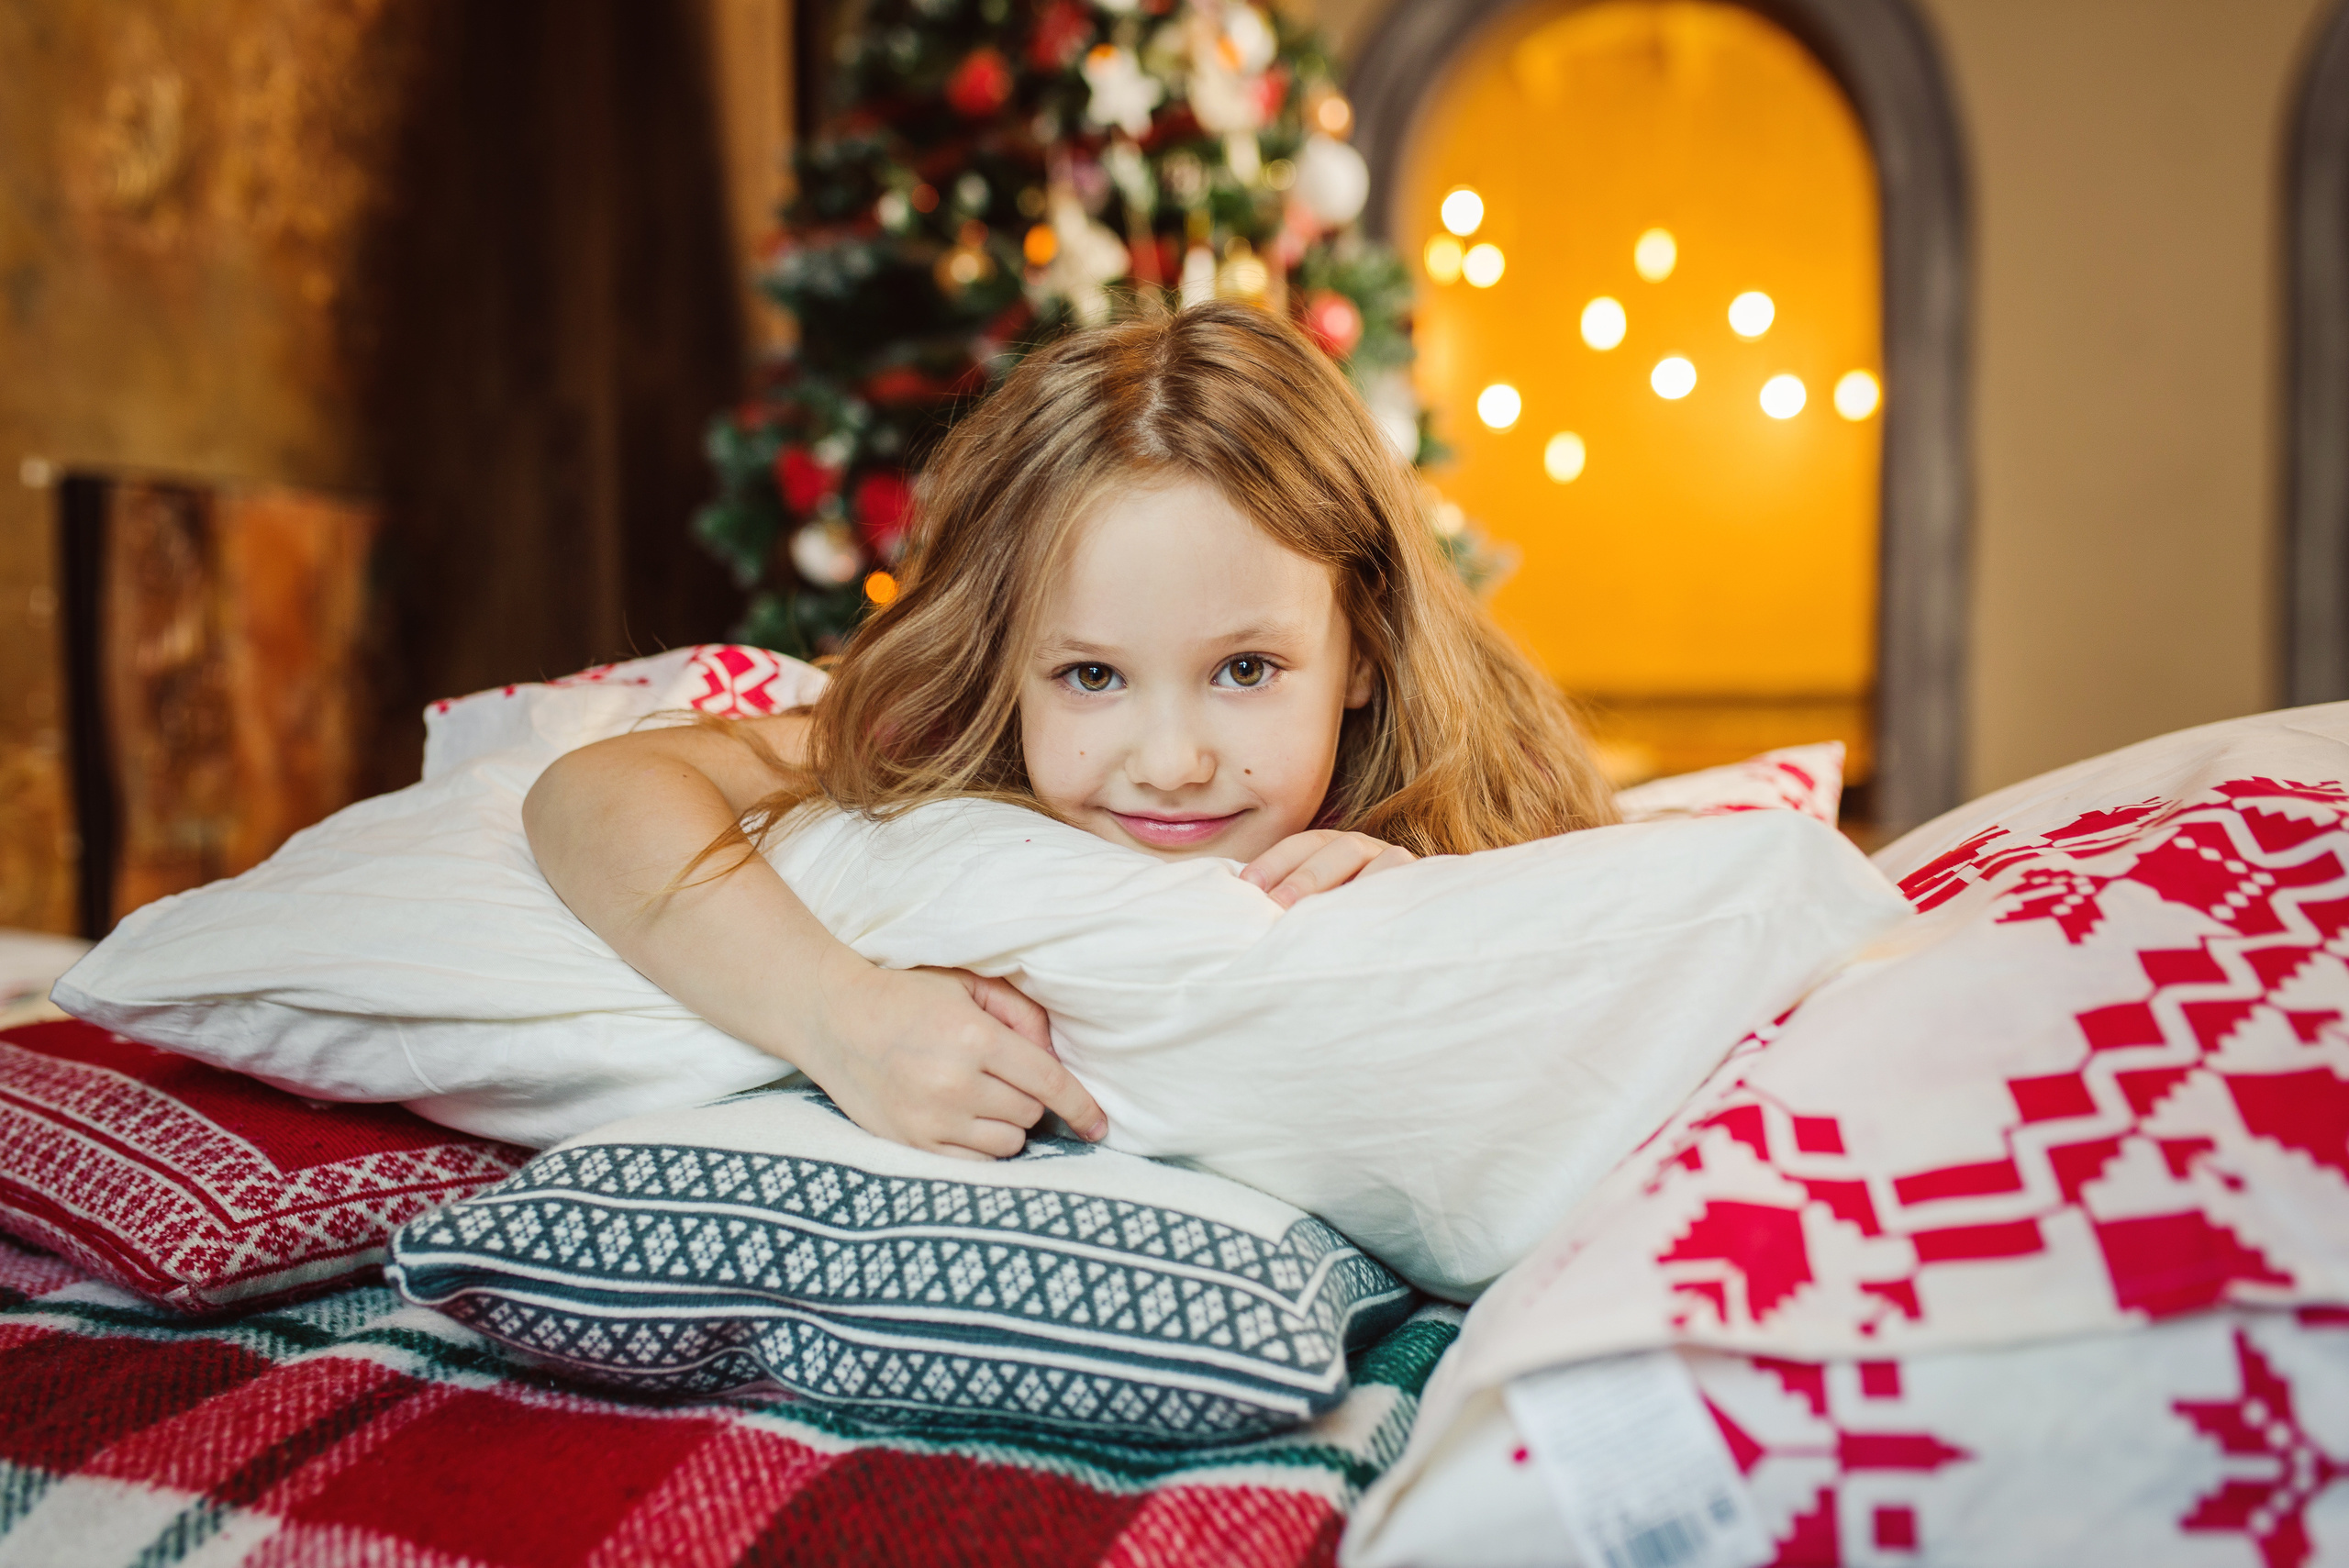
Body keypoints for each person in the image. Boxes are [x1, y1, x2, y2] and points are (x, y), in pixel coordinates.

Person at [526, 300, 1616, 1163]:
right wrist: (837, 1013)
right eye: (1091, 675)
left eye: (1245, 669)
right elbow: (590, 793)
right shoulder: (953, 727)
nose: (1172, 765)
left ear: (1365, 646)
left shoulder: (1478, 781)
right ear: (1007, 657)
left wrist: (1435, 908)